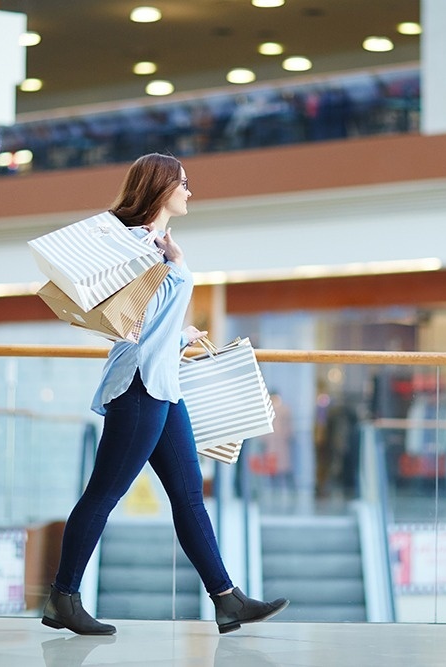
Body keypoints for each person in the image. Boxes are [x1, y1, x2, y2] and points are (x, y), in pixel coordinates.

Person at [41, 153, 288, 636]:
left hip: (161, 386)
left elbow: (149, 323)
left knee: (189, 496)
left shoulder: (156, 247)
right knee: (104, 494)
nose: (190, 192)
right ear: (160, 189)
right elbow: (133, 325)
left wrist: (179, 318)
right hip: (139, 385)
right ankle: (63, 598)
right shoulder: (136, 246)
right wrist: (175, 281)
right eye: (184, 184)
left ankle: (227, 599)